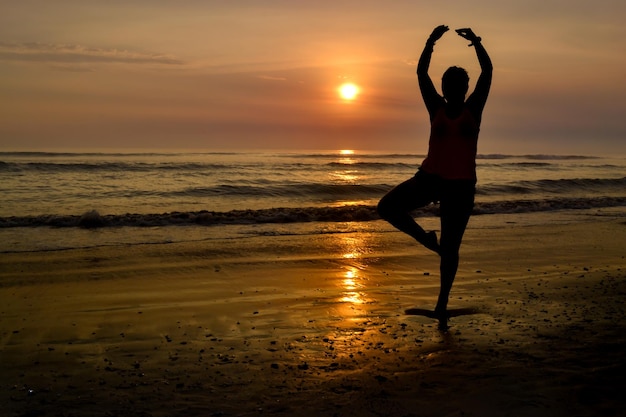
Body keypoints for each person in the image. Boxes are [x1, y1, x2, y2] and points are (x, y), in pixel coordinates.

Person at [377, 25, 492, 329]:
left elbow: (488, 72)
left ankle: (441, 305)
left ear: (463, 88)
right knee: (386, 207)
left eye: (454, 84)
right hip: (430, 178)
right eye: (446, 84)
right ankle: (426, 239)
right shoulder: (436, 108)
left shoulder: (473, 110)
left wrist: (477, 43)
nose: (448, 88)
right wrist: (430, 43)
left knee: (451, 248)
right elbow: (420, 74)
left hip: (461, 186)